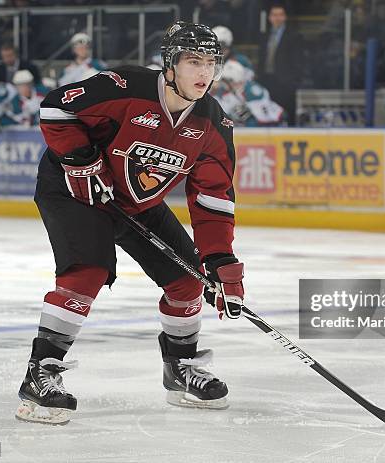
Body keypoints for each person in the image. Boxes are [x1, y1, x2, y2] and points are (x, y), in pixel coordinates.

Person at [15, 21, 245, 425]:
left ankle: (180, 368)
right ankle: (41, 371)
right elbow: (55, 107)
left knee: (189, 278)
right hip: (75, 191)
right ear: (170, 65)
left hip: (137, 204)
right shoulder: (126, 86)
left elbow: (213, 198)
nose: (204, 73)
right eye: (194, 61)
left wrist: (221, 261)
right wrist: (81, 160)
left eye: (211, 63)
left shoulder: (213, 124)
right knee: (88, 271)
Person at [257, 3, 302, 126]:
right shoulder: (264, 35)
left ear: (285, 17)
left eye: (280, 15)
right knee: (269, 115)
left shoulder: (294, 35)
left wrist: (293, 80)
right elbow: (261, 58)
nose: (277, 18)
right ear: (269, 17)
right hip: (267, 80)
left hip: (286, 82)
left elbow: (298, 60)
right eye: (274, 15)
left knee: (288, 114)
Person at [211, 59, 285, 126]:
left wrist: (249, 114)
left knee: (248, 118)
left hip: (272, 125)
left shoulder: (252, 91)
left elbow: (264, 117)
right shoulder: (224, 92)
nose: (223, 84)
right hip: (242, 130)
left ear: (234, 81)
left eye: (225, 81)